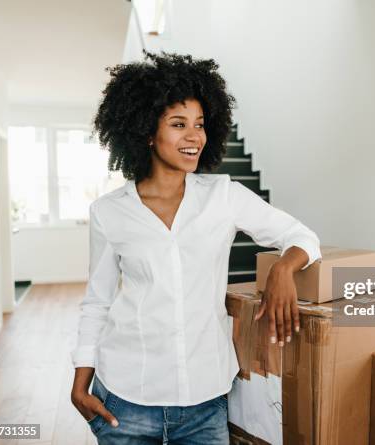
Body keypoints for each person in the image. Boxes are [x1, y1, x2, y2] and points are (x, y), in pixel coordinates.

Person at [69, 51, 321, 445]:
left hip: (205, 403)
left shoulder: (224, 196)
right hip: (126, 399)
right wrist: (80, 382)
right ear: (147, 133)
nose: (194, 137)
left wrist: (284, 269)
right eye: (178, 124)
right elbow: (98, 301)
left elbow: (302, 236)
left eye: (200, 125)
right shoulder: (108, 213)